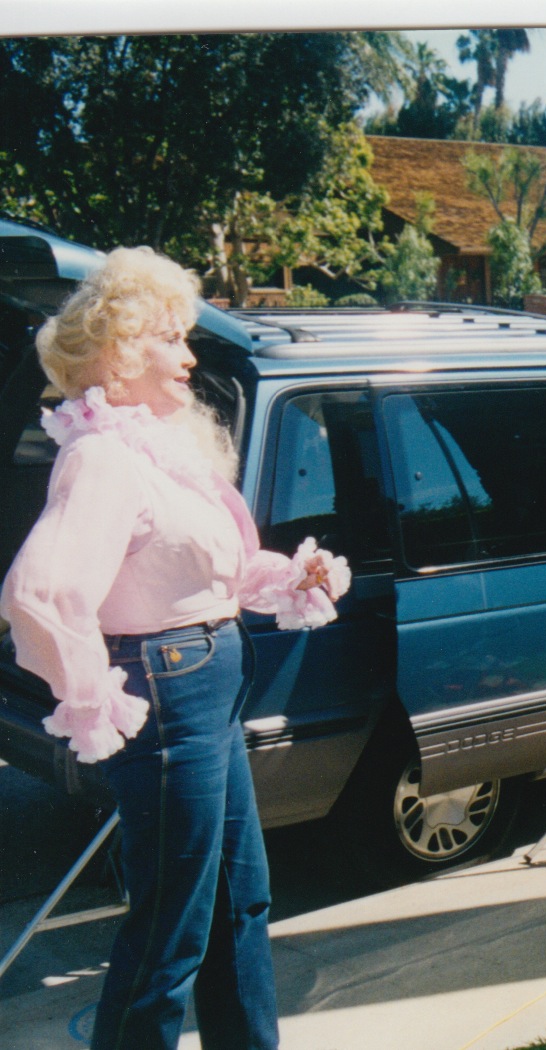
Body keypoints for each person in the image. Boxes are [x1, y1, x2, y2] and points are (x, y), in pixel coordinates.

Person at [0, 247, 350, 1050]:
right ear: (121, 353)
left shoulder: (157, 450)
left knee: (239, 905)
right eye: (171, 337)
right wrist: (93, 695)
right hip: (167, 688)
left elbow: (206, 569)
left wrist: (296, 576)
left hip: (208, 681)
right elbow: (40, 596)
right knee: (172, 930)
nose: (191, 355)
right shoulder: (102, 459)